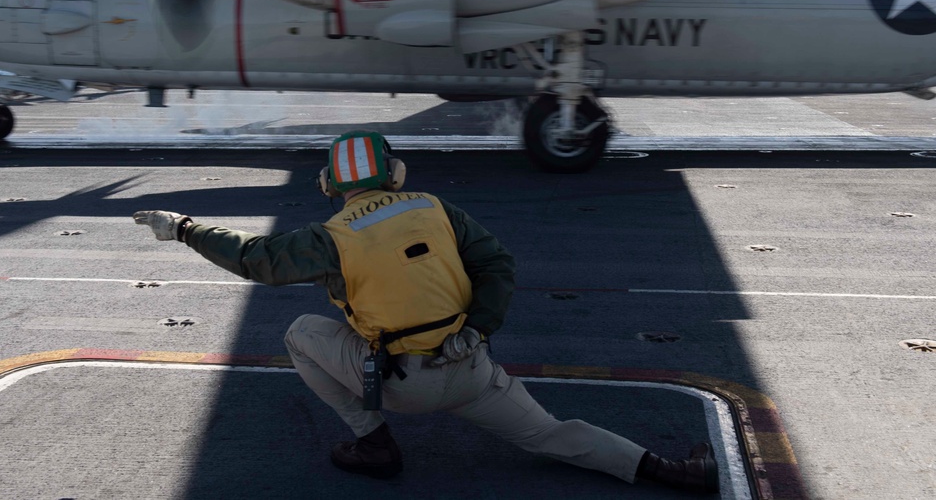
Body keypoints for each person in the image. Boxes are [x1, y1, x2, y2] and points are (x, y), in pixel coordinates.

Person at [133, 130, 719, 493]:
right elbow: (497, 266)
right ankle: (673, 472)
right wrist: (480, 328)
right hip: (470, 369)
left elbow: (258, 259)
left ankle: (373, 443)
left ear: (332, 185)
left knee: (301, 332)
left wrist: (185, 228)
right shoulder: (436, 208)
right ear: (395, 175)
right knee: (550, 435)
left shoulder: (332, 234)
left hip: (395, 382)